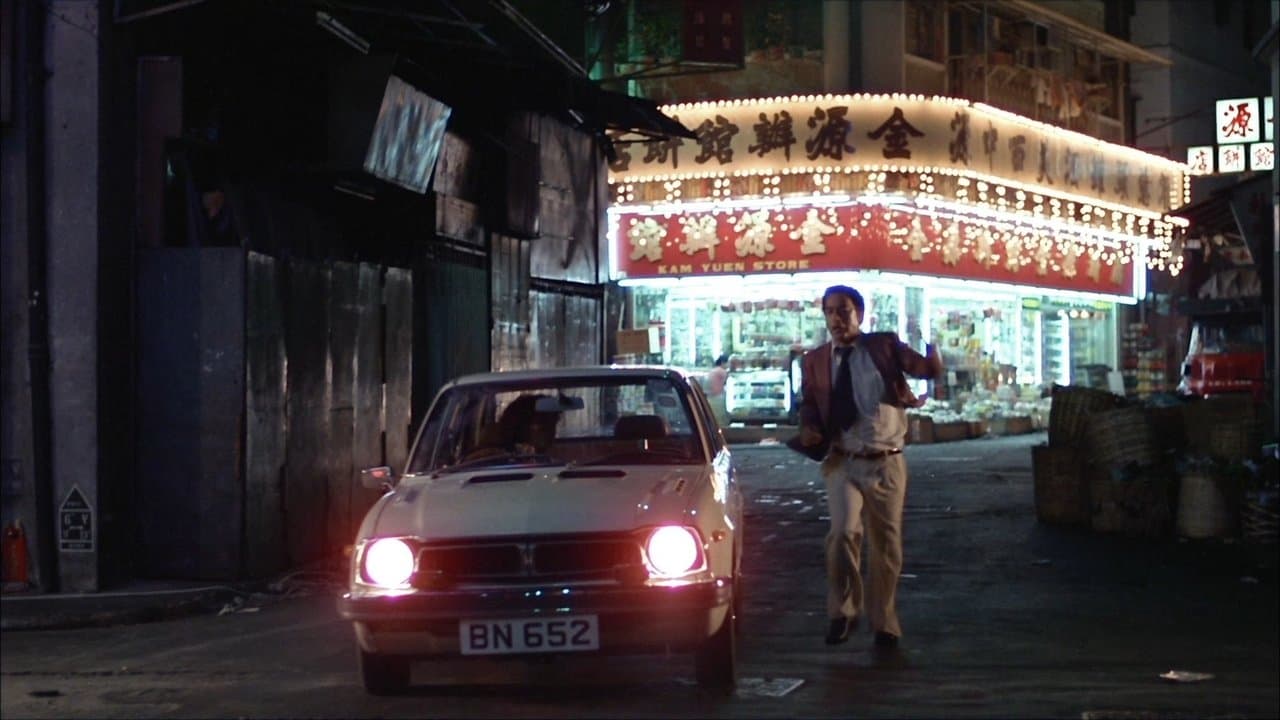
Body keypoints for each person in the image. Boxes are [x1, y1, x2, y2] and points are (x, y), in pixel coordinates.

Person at [796, 284, 943, 650]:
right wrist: (809, 427)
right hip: (842, 460)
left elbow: (925, 369)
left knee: (886, 545)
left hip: (886, 460)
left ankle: (884, 622)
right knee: (843, 534)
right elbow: (809, 403)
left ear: (859, 314)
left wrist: (931, 346)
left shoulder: (883, 345)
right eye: (830, 312)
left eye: (843, 311)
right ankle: (843, 611)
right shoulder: (815, 360)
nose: (836, 319)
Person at [706, 354, 730, 425]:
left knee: (714, 418)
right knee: (720, 419)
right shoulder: (721, 371)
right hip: (718, 397)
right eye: (727, 363)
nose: (728, 365)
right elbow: (730, 380)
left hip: (711, 398)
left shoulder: (713, 370)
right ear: (723, 362)